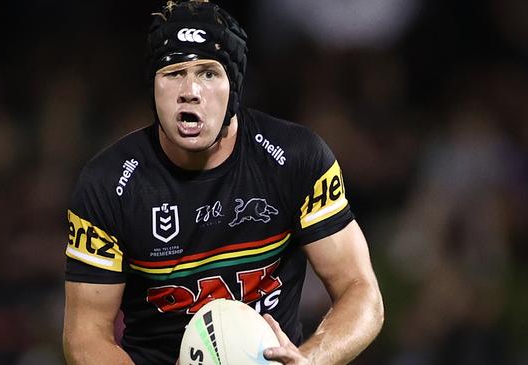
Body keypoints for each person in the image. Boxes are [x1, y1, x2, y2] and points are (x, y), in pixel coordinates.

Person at [62, 1, 384, 364]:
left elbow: (360, 292)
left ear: (235, 85)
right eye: (173, 73)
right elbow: (85, 335)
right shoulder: (108, 185)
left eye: (208, 73)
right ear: (153, 87)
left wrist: (310, 360)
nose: (190, 90)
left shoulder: (297, 159)